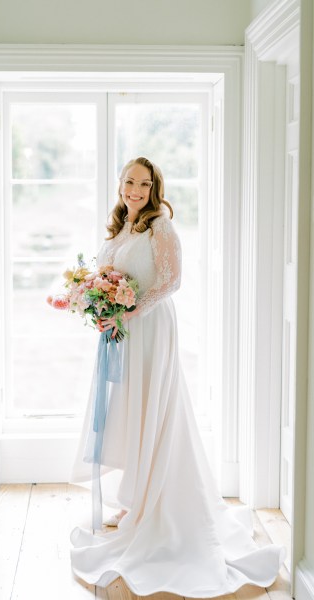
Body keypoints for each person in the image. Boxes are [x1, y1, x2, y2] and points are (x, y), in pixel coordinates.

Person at [70, 156, 285, 597]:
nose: (134, 190)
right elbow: (109, 276)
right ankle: (138, 498)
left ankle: (159, 504)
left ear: (154, 188)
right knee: (131, 412)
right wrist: (101, 302)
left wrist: (128, 307)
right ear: (120, 184)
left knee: (156, 409)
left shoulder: (160, 225)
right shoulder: (120, 228)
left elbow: (171, 281)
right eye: (129, 181)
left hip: (151, 329)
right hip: (126, 331)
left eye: (144, 184)